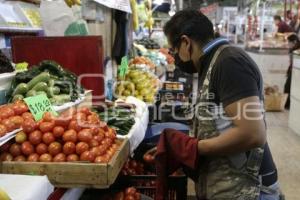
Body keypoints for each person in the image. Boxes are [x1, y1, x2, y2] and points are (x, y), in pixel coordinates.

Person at [156, 9, 281, 200]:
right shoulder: (213, 62)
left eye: (173, 51)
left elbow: (253, 133)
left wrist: (193, 148)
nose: (175, 58)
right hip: (229, 185)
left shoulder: (229, 62)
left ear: (185, 42)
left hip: (249, 188)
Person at [285, 34, 300, 109]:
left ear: (294, 42)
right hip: (293, 70)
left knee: (288, 87)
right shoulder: (293, 49)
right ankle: (287, 104)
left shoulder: (297, 50)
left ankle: (288, 104)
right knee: (288, 87)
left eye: (289, 42)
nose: (288, 44)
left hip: (296, 71)